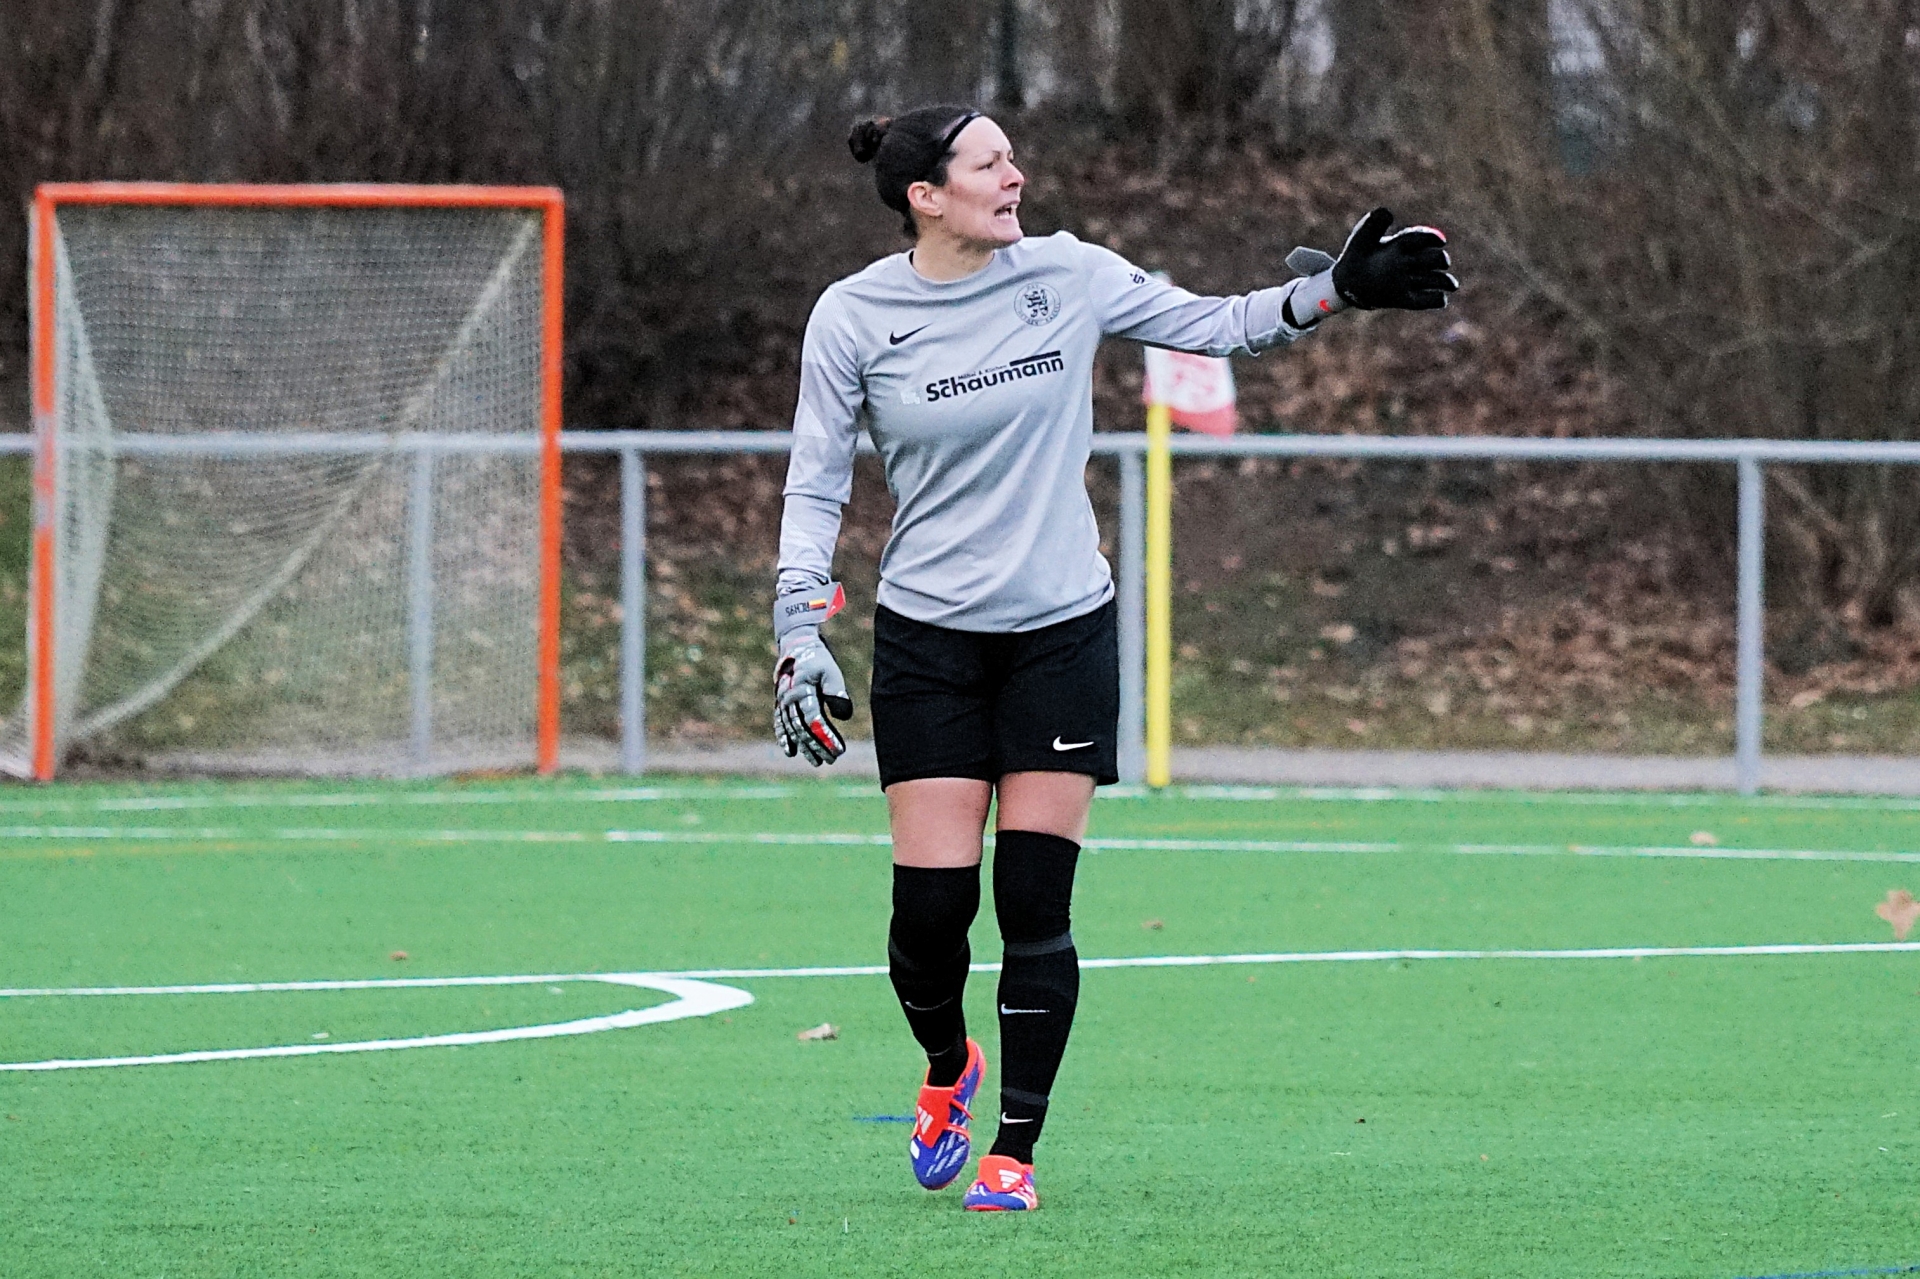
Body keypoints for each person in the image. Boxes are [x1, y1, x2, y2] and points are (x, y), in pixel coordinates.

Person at [771, 104, 1456, 1212]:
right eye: (991, 163)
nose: (1016, 175)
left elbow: (1220, 323)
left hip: (1061, 634)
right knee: (929, 921)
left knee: (1034, 900)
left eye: (1013, 157)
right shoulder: (854, 315)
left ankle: (1016, 1151)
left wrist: (1335, 290)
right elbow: (815, 484)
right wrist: (798, 631)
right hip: (929, 641)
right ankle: (947, 1067)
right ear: (926, 197)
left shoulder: (1070, 272)